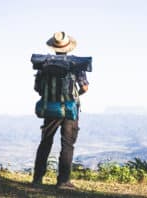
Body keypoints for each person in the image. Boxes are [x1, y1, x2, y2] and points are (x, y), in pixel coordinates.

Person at [32, 31, 89, 190]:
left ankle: (37, 178)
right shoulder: (75, 65)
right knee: (67, 144)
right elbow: (84, 87)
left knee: (45, 141)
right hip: (70, 108)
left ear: (54, 47)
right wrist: (76, 94)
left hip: (50, 108)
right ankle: (63, 181)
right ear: (68, 47)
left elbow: (37, 88)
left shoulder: (44, 64)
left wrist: (51, 96)